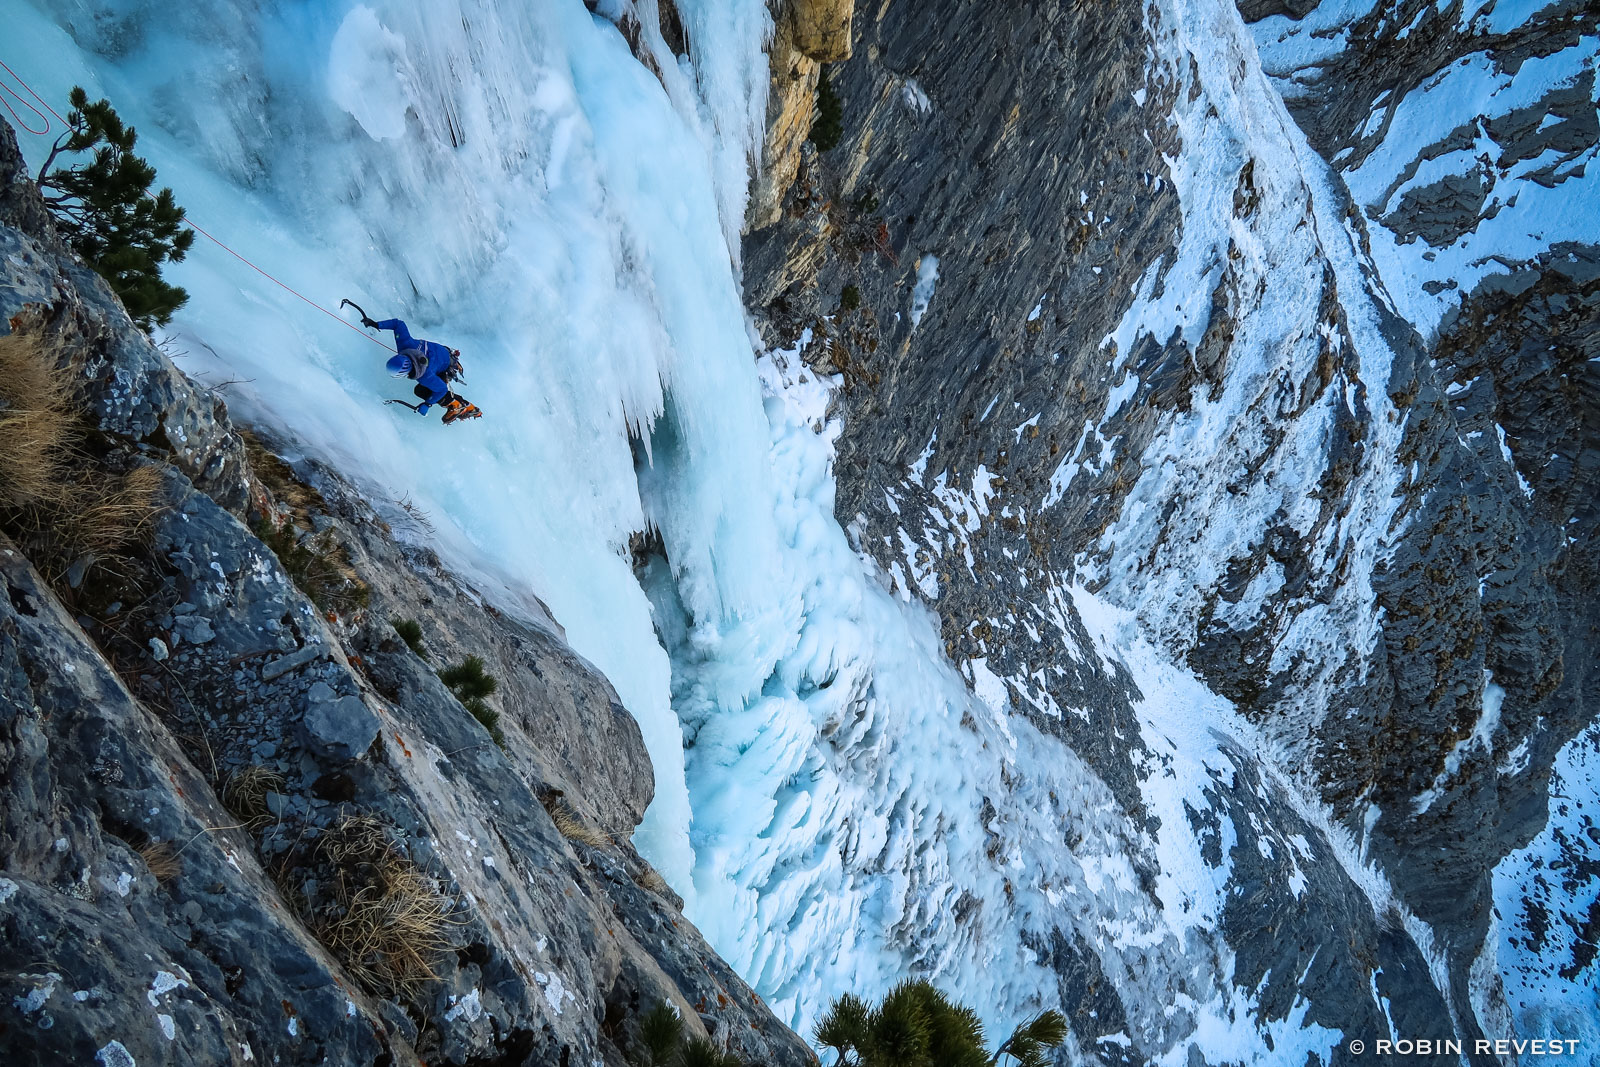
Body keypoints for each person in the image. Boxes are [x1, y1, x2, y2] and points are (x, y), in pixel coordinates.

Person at [362, 313, 481, 423]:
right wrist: (376, 324)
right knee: (431, 388)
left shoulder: (425, 376)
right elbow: (398, 324)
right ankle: (466, 405)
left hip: (446, 365)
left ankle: (455, 406)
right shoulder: (405, 344)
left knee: (421, 390)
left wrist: (428, 404)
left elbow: (441, 390)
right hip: (444, 353)